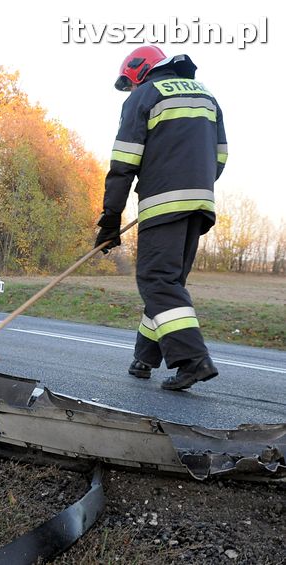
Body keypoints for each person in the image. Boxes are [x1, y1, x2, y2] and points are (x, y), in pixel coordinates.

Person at [95, 45, 227, 391]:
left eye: (130, 82)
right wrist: (192, 186)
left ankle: (193, 360)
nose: (130, 89)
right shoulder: (207, 96)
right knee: (168, 284)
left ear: (140, 71)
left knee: (157, 282)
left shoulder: (145, 96)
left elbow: (124, 164)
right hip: (200, 203)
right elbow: (221, 156)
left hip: (163, 203)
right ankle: (144, 358)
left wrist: (110, 219)